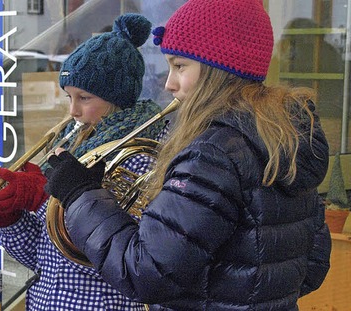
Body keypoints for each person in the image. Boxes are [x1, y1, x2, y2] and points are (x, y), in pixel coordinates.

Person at [44, 0, 332, 310]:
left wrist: (80, 194)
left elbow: (146, 273)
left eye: (180, 66)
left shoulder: (213, 154)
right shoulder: (283, 137)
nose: (169, 84)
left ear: (218, 69)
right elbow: (311, 268)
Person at [0, 14, 167, 311]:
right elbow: (42, 256)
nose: (72, 111)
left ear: (116, 98)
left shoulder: (140, 157)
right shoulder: (70, 144)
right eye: (68, 97)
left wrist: (42, 199)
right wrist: (9, 216)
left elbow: (114, 258)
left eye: (84, 98)